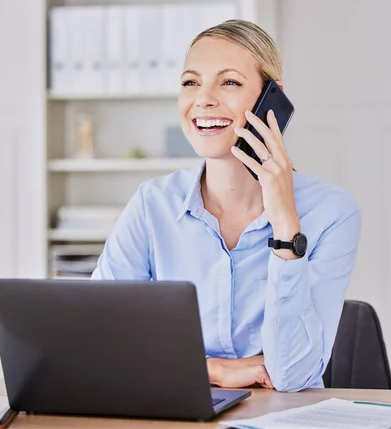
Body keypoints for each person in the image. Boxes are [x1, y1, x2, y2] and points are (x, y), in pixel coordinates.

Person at [91, 19, 361, 393]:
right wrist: (215, 370)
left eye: (229, 82)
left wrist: (286, 229)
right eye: (190, 82)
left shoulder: (332, 212)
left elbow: (291, 375)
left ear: (273, 98)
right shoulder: (152, 204)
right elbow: (98, 343)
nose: (204, 98)